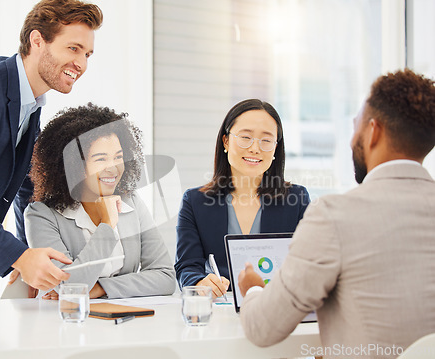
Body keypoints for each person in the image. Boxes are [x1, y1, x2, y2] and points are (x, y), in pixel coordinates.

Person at [239, 69, 435, 357]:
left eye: (355, 125)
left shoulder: (333, 216)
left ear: (373, 131)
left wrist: (254, 290)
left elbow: (262, 328)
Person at [0, 0, 103, 301]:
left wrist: (32, 254)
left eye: (87, 54)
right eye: (74, 48)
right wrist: (19, 257)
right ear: (37, 40)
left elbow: (26, 188)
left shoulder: (29, 104)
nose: (82, 64)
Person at [24, 103, 176, 299]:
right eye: (101, 159)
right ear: (74, 165)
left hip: (122, 320)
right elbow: (69, 287)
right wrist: (106, 225)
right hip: (66, 320)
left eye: (118, 157)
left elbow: (165, 277)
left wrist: (101, 288)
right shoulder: (41, 215)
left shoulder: (132, 202)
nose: (113, 168)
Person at [175, 99, 310, 298]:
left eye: (266, 140)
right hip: (220, 312)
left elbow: (310, 263)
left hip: (276, 307)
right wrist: (200, 282)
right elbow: (187, 266)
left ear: (275, 148)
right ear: (226, 141)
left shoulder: (297, 199)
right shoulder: (195, 201)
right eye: (246, 137)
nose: (255, 148)